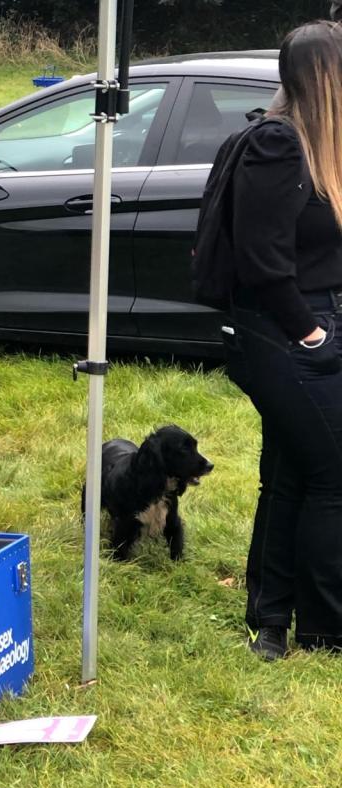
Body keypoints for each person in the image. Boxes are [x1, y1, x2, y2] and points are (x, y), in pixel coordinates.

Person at [220, 21, 342, 660]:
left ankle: (270, 620)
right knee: (332, 472)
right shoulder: (278, 144)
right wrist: (312, 332)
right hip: (284, 332)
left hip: (312, 322)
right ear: (326, 75)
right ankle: (325, 627)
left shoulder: (322, 147)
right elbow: (262, 261)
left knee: (292, 470)